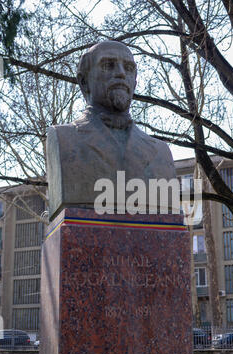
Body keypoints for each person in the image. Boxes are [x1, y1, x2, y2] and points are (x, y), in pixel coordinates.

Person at [47, 41, 176, 220]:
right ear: (84, 82)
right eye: (108, 65)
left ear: (135, 82)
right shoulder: (63, 139)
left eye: (129, 68)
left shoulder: (161, 152)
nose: (121, 73)